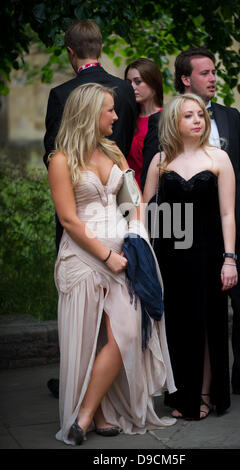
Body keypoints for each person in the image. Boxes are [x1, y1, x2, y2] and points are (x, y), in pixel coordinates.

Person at [48, 82, 176, 445]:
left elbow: (133, 199)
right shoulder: (61, 160)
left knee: (128, 332)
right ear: (89, 113)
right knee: (91, 339)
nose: (117, 116)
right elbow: (70, 221)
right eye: (110, 109)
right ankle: (99, 413)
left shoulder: (115, 151)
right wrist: (107, 256)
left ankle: (83, 417)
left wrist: (135, 232)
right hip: (84, 259)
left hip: (124, 254)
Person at [174, 47, 240, 395]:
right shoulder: (169, 121)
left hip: (239, 228)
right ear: (186, 79)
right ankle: (194, 381)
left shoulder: (231, 117)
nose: (213, 78)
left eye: (214, 71)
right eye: (204, 73)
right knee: (199, 308)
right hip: (196, 234)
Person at [144, 93, 237, 419]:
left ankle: (205, 394)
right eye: (189, 115)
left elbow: (228, 214)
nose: (197, 120)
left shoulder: (219, 158)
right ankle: (181, 393)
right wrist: (146, 260)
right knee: (178, 326)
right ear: (174, 121)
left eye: (200, 114)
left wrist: (229, 258)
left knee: (207, 323)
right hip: (170, 256)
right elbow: (146, 212)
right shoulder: (159, 160)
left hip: (209, 255)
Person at [43, 19, 137, 251]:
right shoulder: (125, 90)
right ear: (100, 48)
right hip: (121, 194)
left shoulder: (61, 94)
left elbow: (53, 152)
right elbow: (128, 135)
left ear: (70, 52)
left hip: (78, 201)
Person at [124, 58, 163, 189]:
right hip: (129, 194)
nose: (132, 87)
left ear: (153, 82)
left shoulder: (168, 119)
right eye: (128, 82)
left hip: (158, 195)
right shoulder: (125, 119)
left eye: (138, 82)